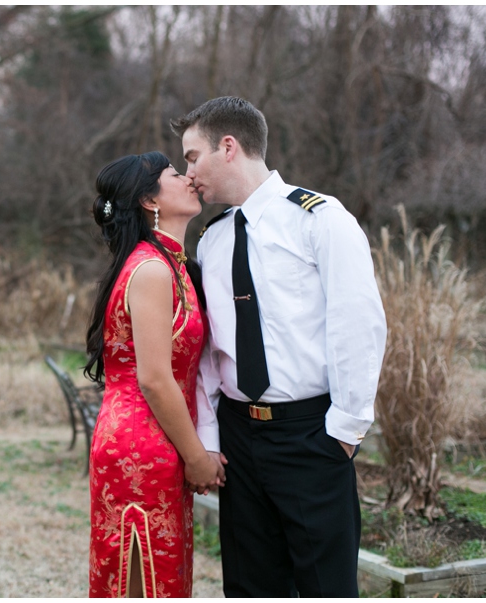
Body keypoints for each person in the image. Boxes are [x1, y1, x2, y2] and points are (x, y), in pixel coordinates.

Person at [170, 97, 387, 597]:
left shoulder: (320, 219)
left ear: (228, 147)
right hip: (239, 441)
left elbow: (359, 324)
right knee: (250, 585)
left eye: (192, 156)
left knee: (323, 586)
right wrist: (209, 436)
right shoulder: (212, 240)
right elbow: (210, 353)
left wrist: (345, 430)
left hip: (311, 435)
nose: (189, 172)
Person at [84, 151, 225, 598]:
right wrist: (198, 457)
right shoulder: (149, 269)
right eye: (174, 174)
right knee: (142, 577)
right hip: (139, 447)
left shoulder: (173, 265)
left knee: (164, 576)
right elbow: (155, 379)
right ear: (150, 200)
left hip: (161, 441)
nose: (188, 179)